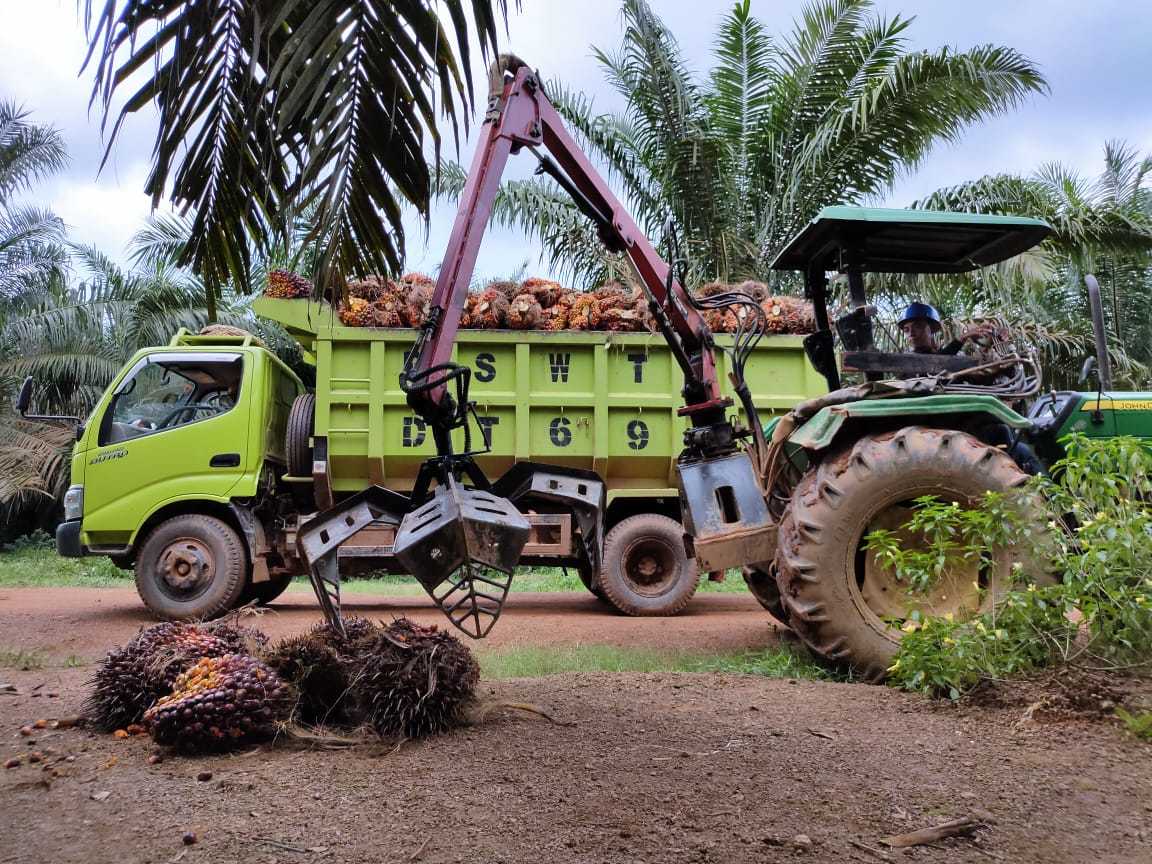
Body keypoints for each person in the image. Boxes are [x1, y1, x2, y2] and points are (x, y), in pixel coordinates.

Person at [897, 302, 993, 355]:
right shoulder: (906, 361)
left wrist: (994, 336)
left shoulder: (945, 353)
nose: (911, 333)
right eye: (906, 330)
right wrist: (962, 338)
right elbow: (936, 362)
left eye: (917, 327)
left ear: (931, 329)